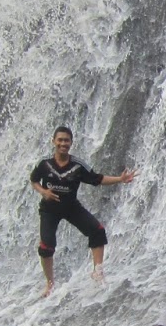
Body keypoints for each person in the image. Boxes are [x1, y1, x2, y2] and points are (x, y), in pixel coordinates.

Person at [29, 126, 135, 296]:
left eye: (67, 140)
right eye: (60, 140)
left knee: (97, 231)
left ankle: (98, 272)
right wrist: (44, 192)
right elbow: (33, 180)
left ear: (71, 143)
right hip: (49, 210)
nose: (63, 143)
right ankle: (49, 284)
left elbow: (97, 179)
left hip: (71, 207)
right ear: (54, 141)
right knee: (46, 247)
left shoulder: (77, 165)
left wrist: (120, 179)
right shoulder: (45, 164)